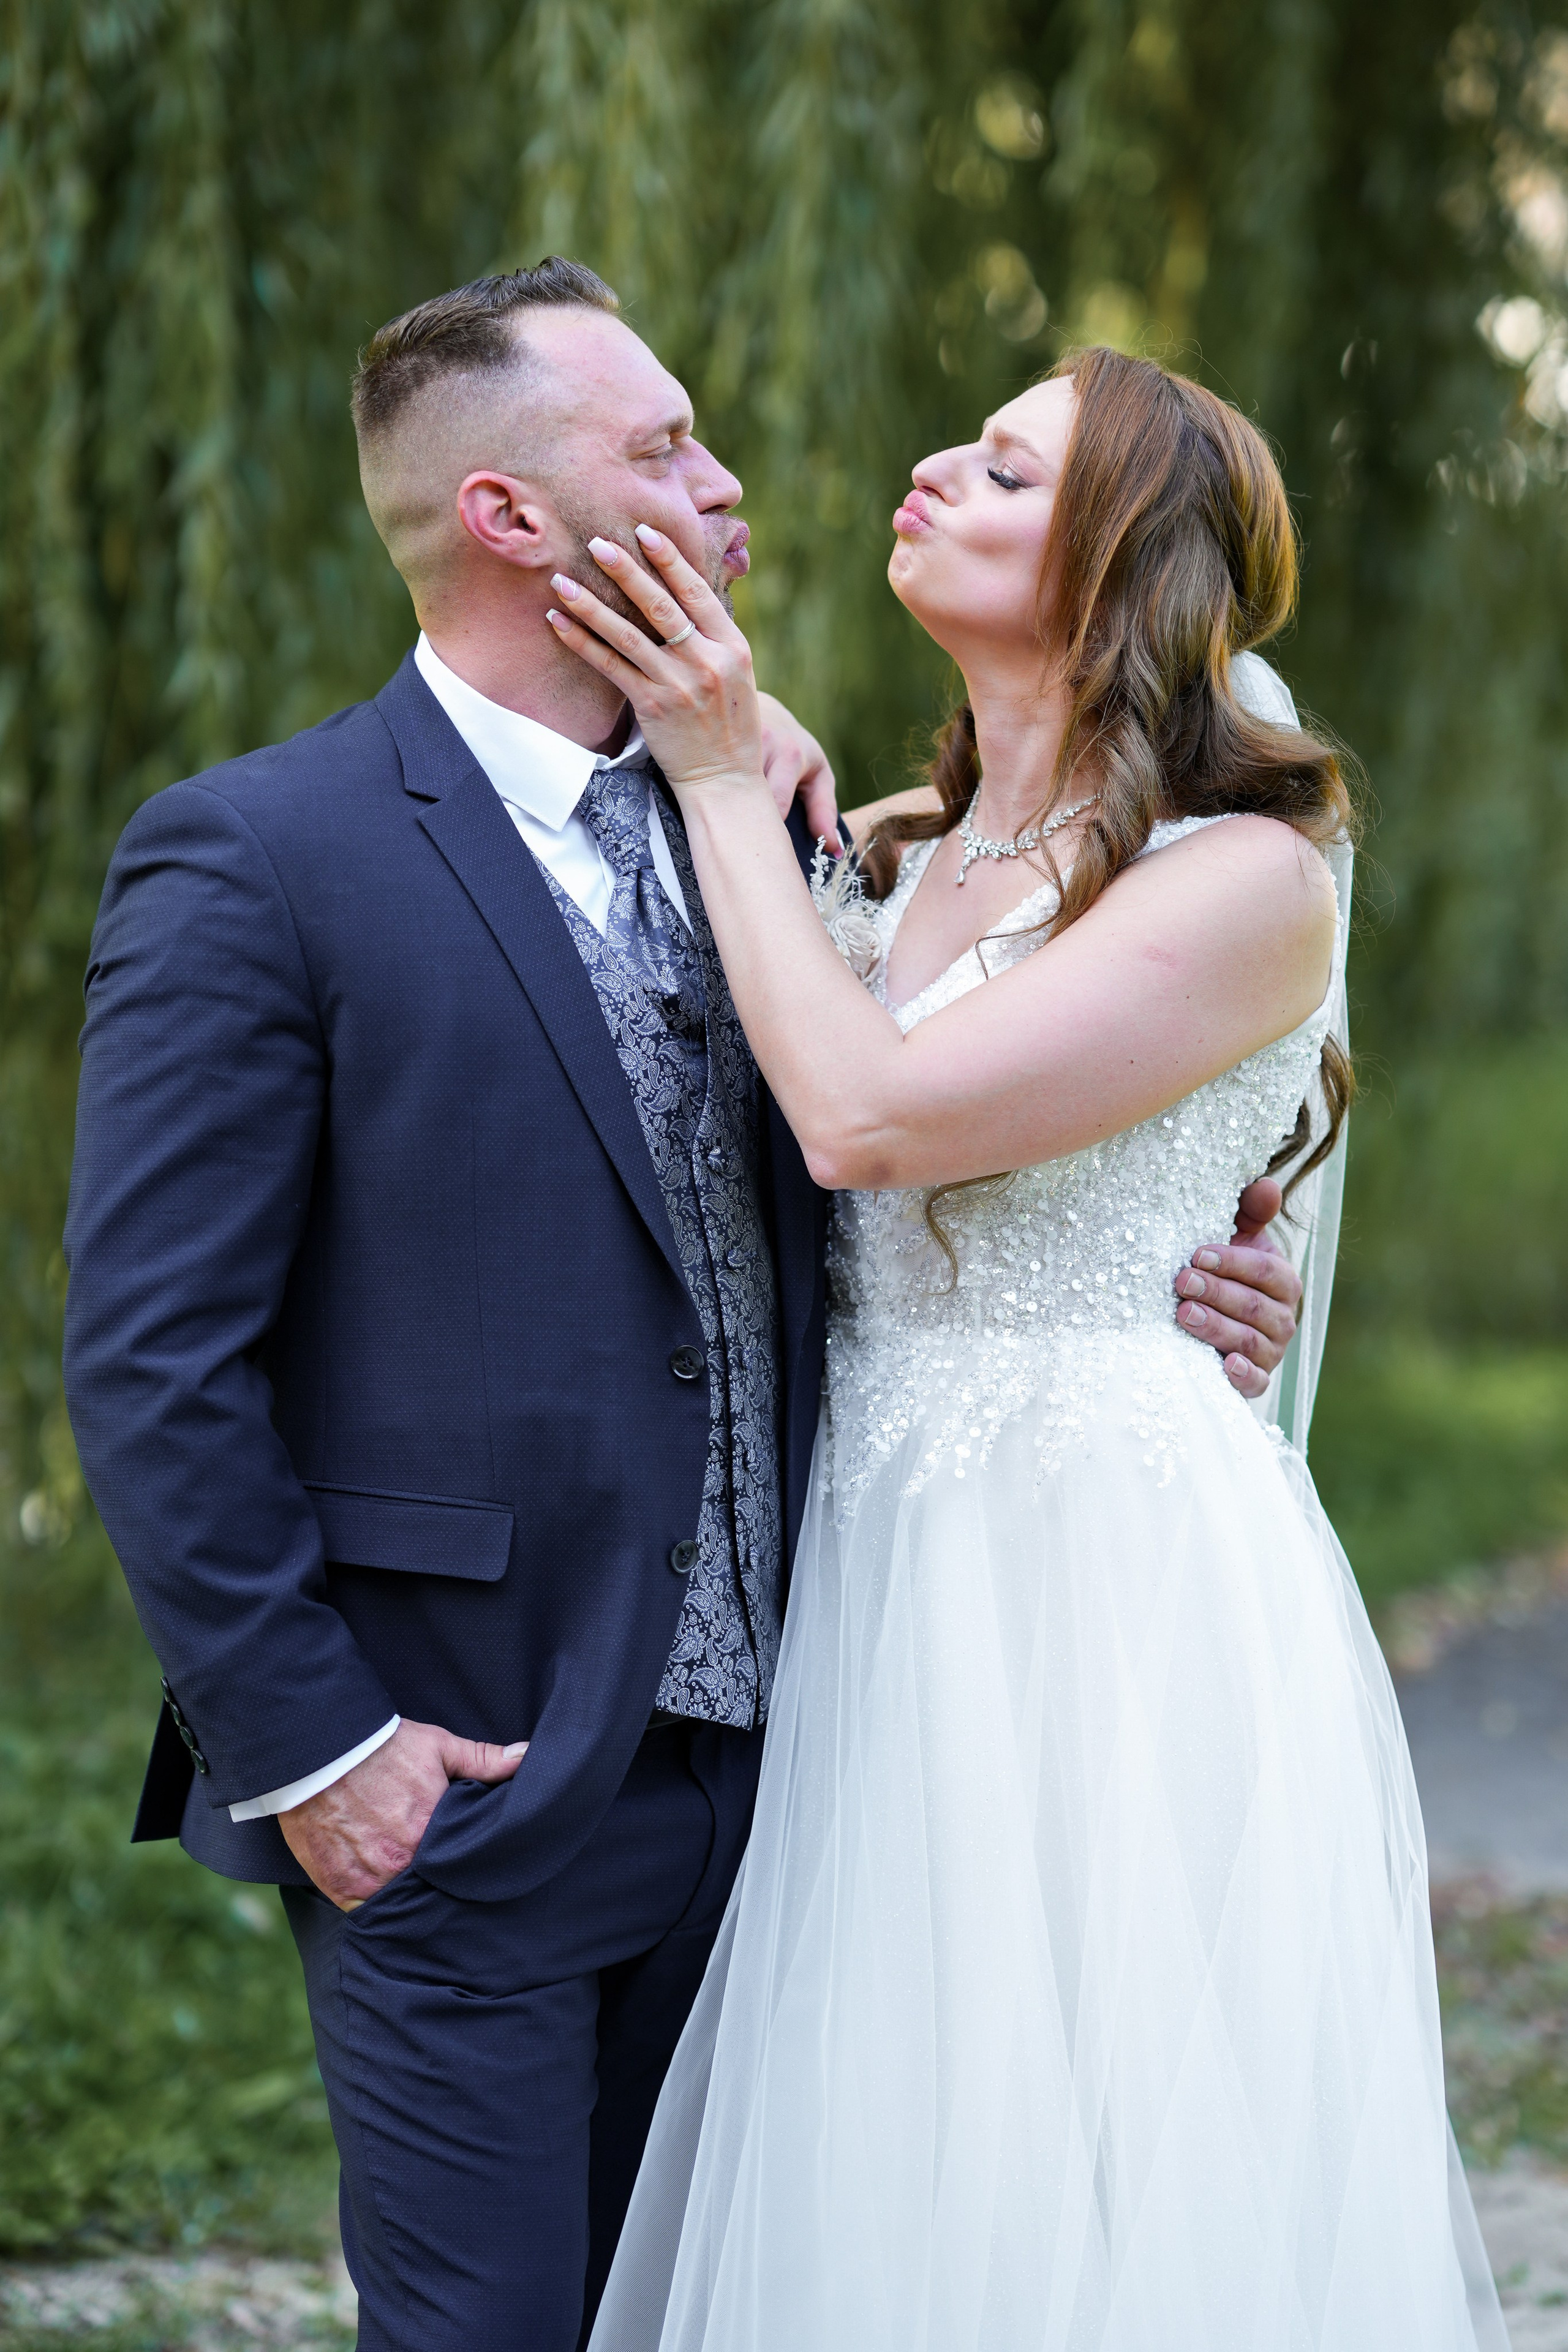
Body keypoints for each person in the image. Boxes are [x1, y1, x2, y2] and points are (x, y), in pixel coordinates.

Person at [61, 268, 1306, 2352]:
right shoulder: (260, 857)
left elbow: (945, 1136)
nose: (732, 482)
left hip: (826, 1762)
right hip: (463, 1771)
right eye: (663, 450)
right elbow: (151, 1351)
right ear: (515, 521)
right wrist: (312, 1747)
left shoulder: (806, 842)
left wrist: (1193, 1259)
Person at [549, 348, 1510, 2349]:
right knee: (887, 2115)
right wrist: (759, 797)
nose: (930, 466)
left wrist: (717, 770)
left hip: (1098, 1572)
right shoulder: (885, 853)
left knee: (1088, 2128)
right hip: (870, 1548)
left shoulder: (1245, 879)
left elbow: (867, 1121)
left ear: (1115, 569)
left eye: (1003, 468)